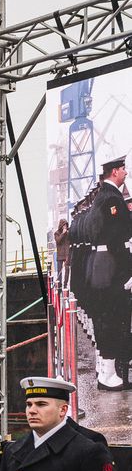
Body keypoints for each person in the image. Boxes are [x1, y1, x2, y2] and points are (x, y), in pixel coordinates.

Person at [86, 153, 132, 390]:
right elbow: (116, 238)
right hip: (112, 266)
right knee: (114, 318)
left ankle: (107, 371)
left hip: (102, 265)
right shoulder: (112, 198)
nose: (126, 172)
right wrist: (128, 272)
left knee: (107, 318)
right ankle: (109, 375)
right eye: (123, 169)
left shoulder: (103, 196)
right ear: (115, 171)